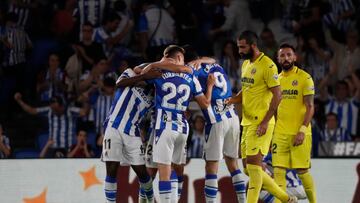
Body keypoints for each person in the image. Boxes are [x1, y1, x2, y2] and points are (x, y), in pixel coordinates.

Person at [227, 31, 297, 203]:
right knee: (248, 169)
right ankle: (286, 199)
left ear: (253, 45)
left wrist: (265, 122)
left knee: (253, 167)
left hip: (261, 122)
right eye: (238, 47)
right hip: (247, 122)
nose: (239, 51)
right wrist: (232, 99)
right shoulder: (245, 65)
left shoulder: (268, 65)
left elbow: (278, 95)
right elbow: (247, 90)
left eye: (242, 47)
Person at [144, 45, 215, 203]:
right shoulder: (191, 76)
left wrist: (158, 63)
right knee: (175, 168)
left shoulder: (158, 72)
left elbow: (142, 72)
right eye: (182, 59)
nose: (185, 63)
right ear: (177, 58)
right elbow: (205, 103)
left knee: (164, 173)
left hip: (164, 127)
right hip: (182, 128)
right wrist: (209, 86)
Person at [182, 47, 246, 203]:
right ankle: (243, 200)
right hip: (232, 117)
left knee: (211, 166)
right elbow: (212, 59)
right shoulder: (216, 66)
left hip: (216, 119)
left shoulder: (191, 69)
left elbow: (194, 94)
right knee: (233, 163)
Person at [101, 63, 161, 203]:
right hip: (113, 127)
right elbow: (119, 83)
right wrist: (144, 75)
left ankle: (150, 200)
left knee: (142, 173)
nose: (140, 68)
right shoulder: (129, 74)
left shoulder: (154, 95)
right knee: (111, 170)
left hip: (133, 132)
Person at [272, 43, 316, 203]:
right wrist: (274, 131)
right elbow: (274, 108)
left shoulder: (305, 78)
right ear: (278, 59)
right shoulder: (276, 80)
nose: (286, 58)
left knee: (302, 171)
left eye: (289, 54)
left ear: (295, 57)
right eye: (282, 55)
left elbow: (310, 107)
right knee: (278, 171)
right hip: (280, 133)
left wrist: (302, 130)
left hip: (300, 133)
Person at [14, 94, 88, 156]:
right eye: (53, 109)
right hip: (53, 148)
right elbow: (32, 111)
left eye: (56, 109)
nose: (54, 111)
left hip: (69, 148)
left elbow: (84, 112)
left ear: (62, 106)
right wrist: (19, 101)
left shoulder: (70, 111)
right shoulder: (49, 110)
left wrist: (86, 101)